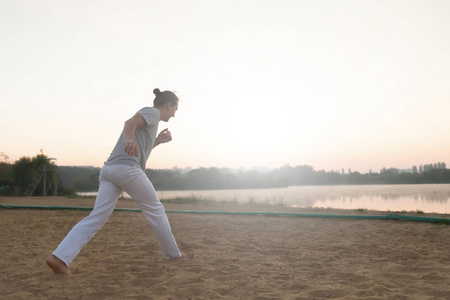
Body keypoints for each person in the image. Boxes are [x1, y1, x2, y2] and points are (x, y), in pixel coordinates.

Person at [47, 88, 187, 275]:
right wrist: (128, 139)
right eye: (175, 109)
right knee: (155, 209)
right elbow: (130, 122)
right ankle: (173, 255)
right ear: (168, 105)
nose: (174, 114)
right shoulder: (152, 112)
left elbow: (140, 150)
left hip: (109, 170)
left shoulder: (151, 122)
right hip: (126, 169)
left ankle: (59, 258)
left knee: (96, 217)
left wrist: (158, 141)